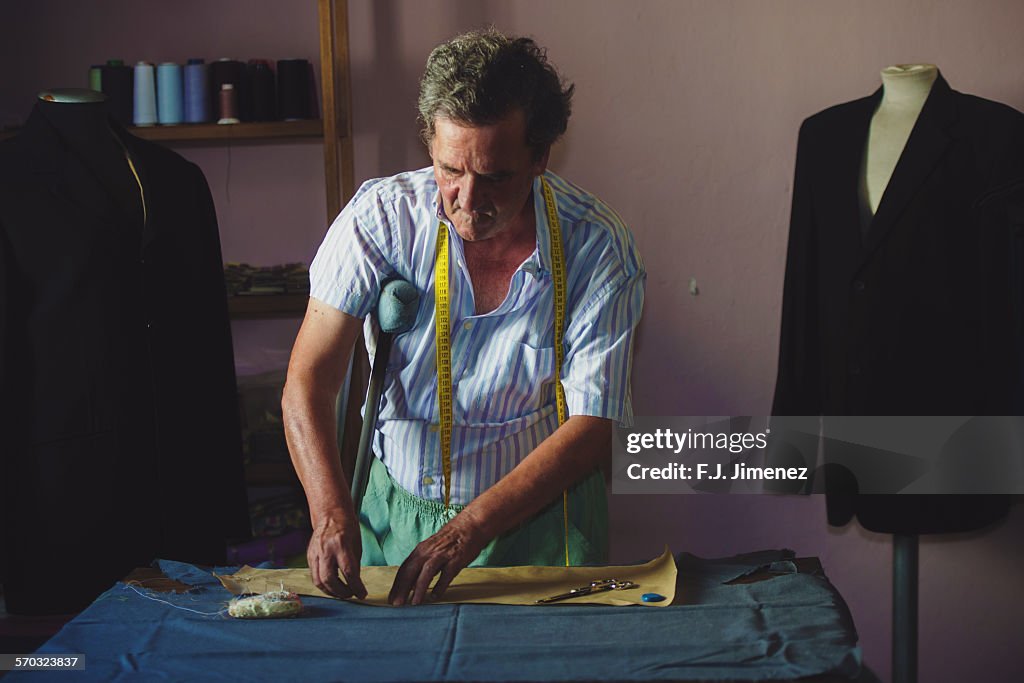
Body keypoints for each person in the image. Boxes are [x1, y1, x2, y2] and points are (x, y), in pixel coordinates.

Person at [283, 29, 645, 607]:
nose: (468, 198)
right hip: (394, 512)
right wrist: (328, 511)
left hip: (543, 524)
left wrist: (465, 531)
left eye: (496, 176)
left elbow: (592, 426)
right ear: (429, 143)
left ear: (540, 158)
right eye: (450, 169)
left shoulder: (597, 247)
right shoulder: (379, 220)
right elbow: (309, 379)